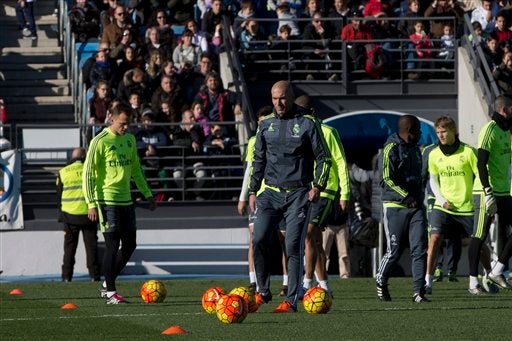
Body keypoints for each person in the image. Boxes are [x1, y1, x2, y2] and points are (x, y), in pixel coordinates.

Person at [248, 81, 331, 313]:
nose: (278, 103)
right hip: (270, 194)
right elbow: (259, 160)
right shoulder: (265, 125)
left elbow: (324, 159)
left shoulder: (307, 123)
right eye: (274, 99)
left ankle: (292, 300)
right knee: (259, 239)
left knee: (294, 246)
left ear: (291, 97)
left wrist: (318, 186)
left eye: (282, 98)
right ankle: (262, 292)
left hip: (299, 194)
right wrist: (253, 190)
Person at [82, 105, 156, 304]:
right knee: (112, 245)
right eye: (122, 124)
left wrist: (147, 194)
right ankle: (110, 292)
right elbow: (87, 174)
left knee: (130, 244)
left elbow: (136, 170)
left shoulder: (130, 140)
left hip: (126, 200)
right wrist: (91, 203)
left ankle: (108, 282)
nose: (125, 128)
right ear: (111, 119)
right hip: (107, 200)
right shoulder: (99, 141)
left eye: (128, 124)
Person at [424, 115, 494, 295]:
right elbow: (432, 180)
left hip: (467, 206)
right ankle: (427, 282)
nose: (440, 135)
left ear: (454, 131)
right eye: (438, 132)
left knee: (478, 242)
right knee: (434, 239)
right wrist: (441, 200)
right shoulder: (433, 154)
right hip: (443, 206)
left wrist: (483, 196)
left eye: (444, 131)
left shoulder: (469, 152)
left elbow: (480, 175)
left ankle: (490, 275)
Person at [295, 95, 350, 294]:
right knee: (315, 241)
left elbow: (340, 162)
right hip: (304, 191)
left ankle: (306, 285)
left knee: (308, 235)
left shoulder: (328, 132)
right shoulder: (299, 133)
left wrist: (345, 193)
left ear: (311, 112)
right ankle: (324, 286)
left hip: (325, 191)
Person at [375, 114, 429, 303]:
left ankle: (418, 292)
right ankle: (381, 279)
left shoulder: (416, 150)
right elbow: (386, 179)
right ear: (410, 130)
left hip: (416, 208)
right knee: (394, 250)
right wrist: (406, 196)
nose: (421, 133)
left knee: (420, 248)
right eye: (418, 130)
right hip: (395, 206)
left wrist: (419, 197)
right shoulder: (391, 148)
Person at [468, 95, 512, 291]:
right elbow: (481, 163)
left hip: (503, 191)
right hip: (487, 192)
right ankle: (472, 281)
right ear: (504, 109)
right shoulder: (490, 129)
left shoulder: (507, 130)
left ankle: (497, 270)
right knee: (479, 235)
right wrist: (487, 192)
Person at [237, 105, 273, 292]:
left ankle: (287, 282)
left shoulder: (279, 137)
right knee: (255, 239)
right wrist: (244, 196)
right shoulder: (254, 141)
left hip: (278, 194)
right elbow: (250, 170)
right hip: (258, 196)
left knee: (284, 241)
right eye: (260, 121)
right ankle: (254, 280)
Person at [58, 148, 100, 282]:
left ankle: (66, 276)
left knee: (69, 248)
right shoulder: (92, 170)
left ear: (73, 157)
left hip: (69, 216)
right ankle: (94, 276)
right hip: (89, 215)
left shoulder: (63, 172)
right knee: (91, 247)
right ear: (83, 156)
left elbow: (59, 194)